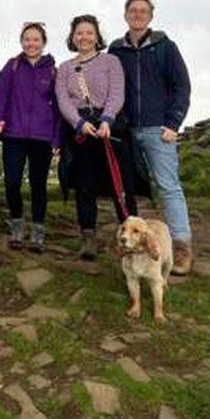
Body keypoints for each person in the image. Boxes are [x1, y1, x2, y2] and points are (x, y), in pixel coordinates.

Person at [109, 0, 194, 275]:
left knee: (168, 186)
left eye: (143, 11)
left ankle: (180, 247)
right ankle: (132, 243)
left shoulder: (165, 48)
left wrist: (173, 123)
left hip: (159, 129)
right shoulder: (116, 50)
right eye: (133, 11)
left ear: (150, 16)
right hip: (127, 130)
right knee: (129, 188)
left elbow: (182, 87)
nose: (137, 15)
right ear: (125, 15)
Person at [56, 14, 137, 260]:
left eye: (89, 32)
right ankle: (88, 236)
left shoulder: (111, 61)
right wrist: (78, 123)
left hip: (110, 128)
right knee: (84, 185)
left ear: (97, 36)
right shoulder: (65, 68)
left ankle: (132, 234)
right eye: (79, 33)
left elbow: (117, 92)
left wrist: (107, 119)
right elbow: (63, 100)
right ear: (72, 37)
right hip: (81, 130)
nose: (84, 37)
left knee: (121, 183)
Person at [0, 22, 62, 253]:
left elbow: (59, 108)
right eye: (27, 39)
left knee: (39, 185)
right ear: (22, 42)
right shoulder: (13, 66)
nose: (31, 43)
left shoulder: (53, 71)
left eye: (36, 39)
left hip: (42, 136)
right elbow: (1, 95)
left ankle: (38, 231)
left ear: (43, 42)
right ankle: (17, 226)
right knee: (12, 183)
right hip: (14, 134)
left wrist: (57, 139)